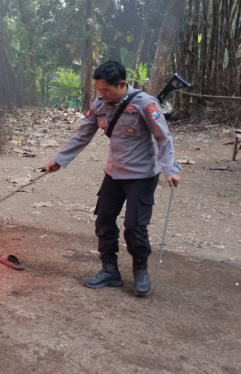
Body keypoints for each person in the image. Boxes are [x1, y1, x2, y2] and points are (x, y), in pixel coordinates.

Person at [46, 60, 181, 297]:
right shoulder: (100, 105)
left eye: (106, 90)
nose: (102, 94)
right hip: (113, 174)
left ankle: (140, 269)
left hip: (141, 176)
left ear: (122, 84)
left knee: (134, 227)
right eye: (99, 90)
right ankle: (110, 270)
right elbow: (82, 135)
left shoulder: (146, 104)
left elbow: (163, 138)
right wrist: (59, 160)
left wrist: (169, 168)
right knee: (104, 221)